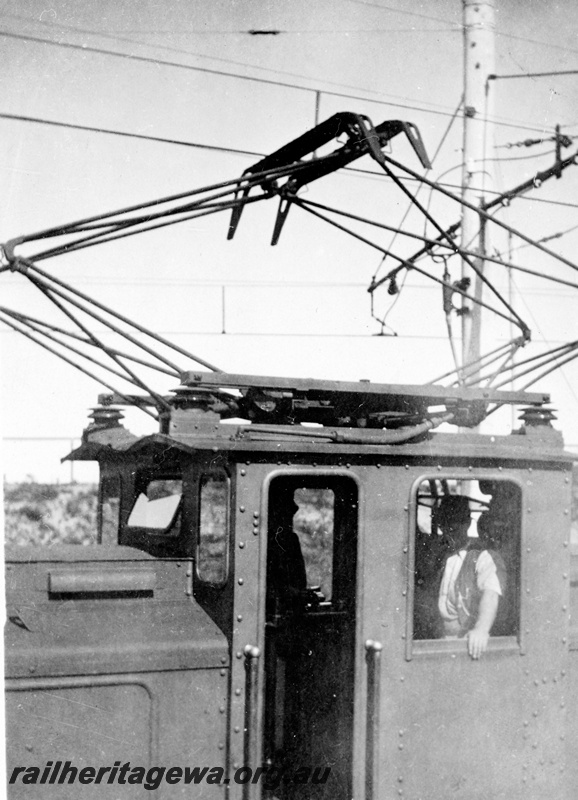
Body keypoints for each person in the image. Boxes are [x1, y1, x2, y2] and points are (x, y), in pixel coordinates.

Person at [436, 495, 506, 659]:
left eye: (457, 522)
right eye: (445, 522)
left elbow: (491, 593)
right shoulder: (437, 554)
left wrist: (481, 629)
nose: (450, 528)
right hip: (437, 643)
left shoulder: (483, 556)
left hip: (462, 648)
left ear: (468, 522)